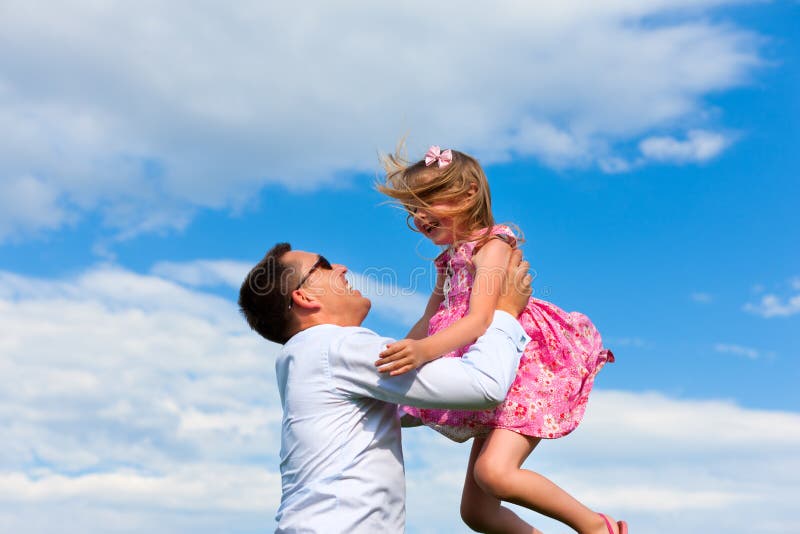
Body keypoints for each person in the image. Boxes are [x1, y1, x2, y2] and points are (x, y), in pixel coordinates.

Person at [376, 144, 626, 534]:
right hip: (493, 369)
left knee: (494, 472)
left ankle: (597, 527)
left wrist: (424, 351)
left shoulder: (493, 246)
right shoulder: (447, 261)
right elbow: (430, 317)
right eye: (412, 209)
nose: (419, 216)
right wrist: (390, 359)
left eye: (426, 202)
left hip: (526, 368)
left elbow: (479, 320)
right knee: (477, 513)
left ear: (468, 193)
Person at [238, 242, 535, 534]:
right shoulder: (337, 346)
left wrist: (443, 294)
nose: (341, 268)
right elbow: (484, 386)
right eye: (324, 265)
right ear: (304, 297)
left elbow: (406, 406)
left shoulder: (306, 356)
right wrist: (506, 312)